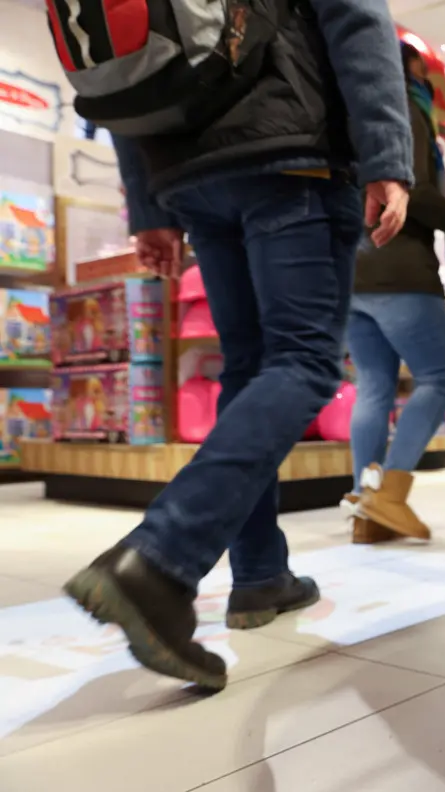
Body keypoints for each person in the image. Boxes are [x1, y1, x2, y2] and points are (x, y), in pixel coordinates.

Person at [56, 0, 414, 691]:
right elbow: (357, 19)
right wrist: (387, 158)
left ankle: (259, 575)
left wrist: (149, 205)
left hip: (187, 170)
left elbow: (120, 60)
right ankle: (160, 561)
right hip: (288, 154)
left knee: (250, 366)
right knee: (304, 362)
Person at [345, 42, 445, 543]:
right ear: (409, 70)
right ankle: (389, 496)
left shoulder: (349, 107)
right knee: (438, 377)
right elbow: (415, 189)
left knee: (372, 388)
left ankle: (366, 508)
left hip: (354, 271)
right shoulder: (403, 107)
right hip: (401, 269)